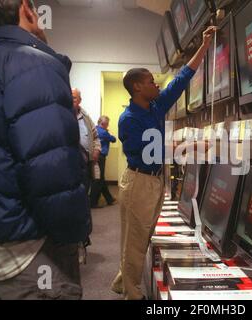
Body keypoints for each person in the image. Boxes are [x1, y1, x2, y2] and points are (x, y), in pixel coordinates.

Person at [0, 0, 90, 299]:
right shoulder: (35, 63)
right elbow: (52, 171)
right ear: (25, 8)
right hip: (33, 252)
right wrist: (73, 237)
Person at [111, 26, 217, 300]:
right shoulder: (129, 119)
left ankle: (124, 279)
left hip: (153, 180)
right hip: (139, 181)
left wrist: (204, 46)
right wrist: (195, 146)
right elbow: (154, 152)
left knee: (141, 235)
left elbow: (181, 80)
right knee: (136, 239)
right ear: (137, 87)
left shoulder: (155, 107)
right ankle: (132, 293)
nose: (156, 84)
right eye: (150, 81)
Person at [72, 88, 101, 194]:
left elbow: (96, 137)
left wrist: (97, 150)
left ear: (80, 100)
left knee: (83, 192)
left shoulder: (86, 117)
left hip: (85, 164)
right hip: (69, 165)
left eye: (74, 97)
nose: (71, 99)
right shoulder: (62, 115)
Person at [90, 116, 117, 208]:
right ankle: (93, 202)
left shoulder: (95, 129)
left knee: (100, 178)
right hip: (101, 157)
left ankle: (109, 199)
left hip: (95, 156)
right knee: (98, 179)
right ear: (104, 124)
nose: (108, 125)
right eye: (107, 124)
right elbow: (113, 139)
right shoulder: (104, 132)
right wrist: (109, 132)